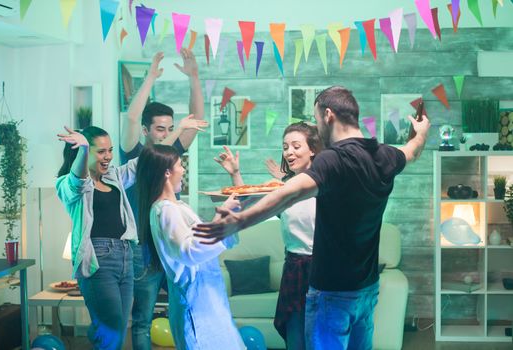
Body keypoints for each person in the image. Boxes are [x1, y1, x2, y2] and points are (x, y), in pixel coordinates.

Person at [194, 86, 430, 350]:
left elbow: (290, 193)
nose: (318, 128)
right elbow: (413, 150)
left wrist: (241, 221)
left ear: (328, 115)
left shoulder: (333, 159)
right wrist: (421, 133)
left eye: (317, 120)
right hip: (366, 289)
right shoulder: (385, 155)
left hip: (333, 292)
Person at [120, 49, 207, 350]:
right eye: (160, 129)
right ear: (146, 130)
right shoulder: (134, 153)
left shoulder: (172, 152)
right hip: (142, 247)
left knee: (183, 310)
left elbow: (196, 119)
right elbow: (132, 116)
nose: (167, 134)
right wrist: (149, 79)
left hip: (173, 243)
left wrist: (194, 78)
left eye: (170, 128)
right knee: (142, 319)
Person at [214, 122, 323, 350]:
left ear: (313, 149)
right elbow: (248, 206)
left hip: (324, 271)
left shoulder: (326, 184)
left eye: (296, 146)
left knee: (323, 339)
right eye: (285, 147)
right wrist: (235, 173)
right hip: (294, 269)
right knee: (295, 340)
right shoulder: (281, 188)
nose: (289, 152)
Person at [136, 144, 245, 350]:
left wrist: (235, 175)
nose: (183, 169)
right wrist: (220, 218)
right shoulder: (165, 210)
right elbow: (189, 251)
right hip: (196, 303)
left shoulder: (178, 207)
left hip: (208, 298)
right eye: (180, 165)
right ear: (167, 172)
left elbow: (232, 221)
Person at [56, 126, 138, 350]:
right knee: (112, 329)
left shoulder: (113, 177)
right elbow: (78, 180)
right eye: (101, 152)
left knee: (118, 327)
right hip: (98, 260)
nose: (108, 156)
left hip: (125, 256)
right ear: (85, 153)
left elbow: (145, 162)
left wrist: (177, 131)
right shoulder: (67, 184)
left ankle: (96, 334)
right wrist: (82, 148)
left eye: (110, 150)